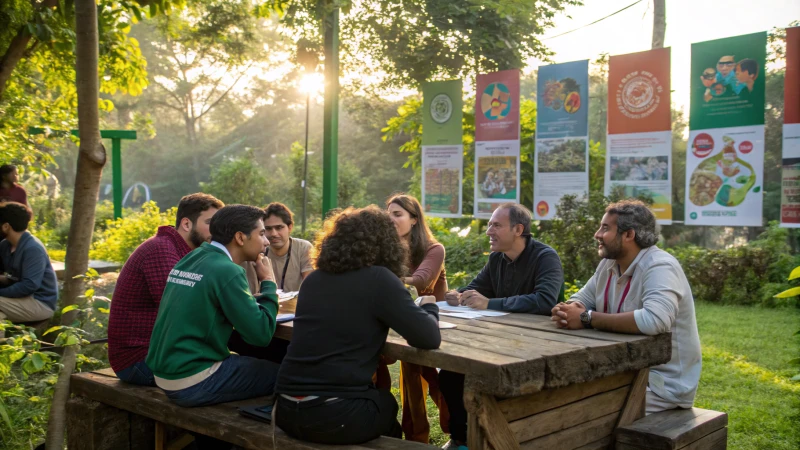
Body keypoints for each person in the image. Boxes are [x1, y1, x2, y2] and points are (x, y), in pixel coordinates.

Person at [274, 206, 441, 445]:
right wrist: (429, 307)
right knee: (386, 404)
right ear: (387, 244)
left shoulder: (314, 281)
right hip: (335, 414)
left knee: (377, 405)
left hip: (285, 410)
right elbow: (428, 338)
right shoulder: (380, 279)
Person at [551, 200, 701, 414]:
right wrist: (567, 310)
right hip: (621, 372)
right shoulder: (609, 264)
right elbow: (582, 298)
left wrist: (586, 318)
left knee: (576, 411)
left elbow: (654, 320)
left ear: (629, 234)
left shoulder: (660, 266)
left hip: (660, 386)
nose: (597, 234)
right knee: (556, 397)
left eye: (605, 228)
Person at [438, 203, 564, 449]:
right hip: (499, 338)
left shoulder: (545, 257)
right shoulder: (497, 258)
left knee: (489, 381)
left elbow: (545, 300)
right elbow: (478, 287)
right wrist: (459, 294)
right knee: (450, 375)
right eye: (489, 224)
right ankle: (461, 439)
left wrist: (490, 303)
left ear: (518, 229)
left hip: (537, 343)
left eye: (496, 225)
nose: (488, 231)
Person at [146, 204, 280, 407]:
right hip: (192, 379)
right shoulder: (227, 270)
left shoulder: (192, 258)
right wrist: (268, 282)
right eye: (261, 234)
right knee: (283, 374)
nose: (267, 241)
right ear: (240, 238)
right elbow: (260, 335)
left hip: (165, 374)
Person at [107, 193, 223, 386]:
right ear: (187, 224)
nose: (217, 231)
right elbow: (183, 312)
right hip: (138, 361)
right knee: (250, 372)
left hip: (160, 354)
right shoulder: (162, 250)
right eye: (211, 223)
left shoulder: (181, 252)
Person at [387, 194, 450, 443]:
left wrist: (383, 278)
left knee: (433, 379)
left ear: (414, 219)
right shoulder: (387, 249)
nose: (391, 219)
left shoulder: (434, 249)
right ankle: (413, 438)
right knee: (395, 372)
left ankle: (455, 428)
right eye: (388, 214)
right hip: (400, 322)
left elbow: (422, 280)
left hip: (433, 324)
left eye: (397, 214)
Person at [0, 202, 57, 327]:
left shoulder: (33, 248)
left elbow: (29, 285)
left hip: (39, 302)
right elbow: (10, 276)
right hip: (22, 298)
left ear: (6, 226)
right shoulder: (5, 245)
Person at [243, 202, 313, 294]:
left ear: (290, 227)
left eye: (279, 227)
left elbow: (310, 288)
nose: (273, 234)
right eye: (268, 229)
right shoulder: (256, 250)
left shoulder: (303, 248)